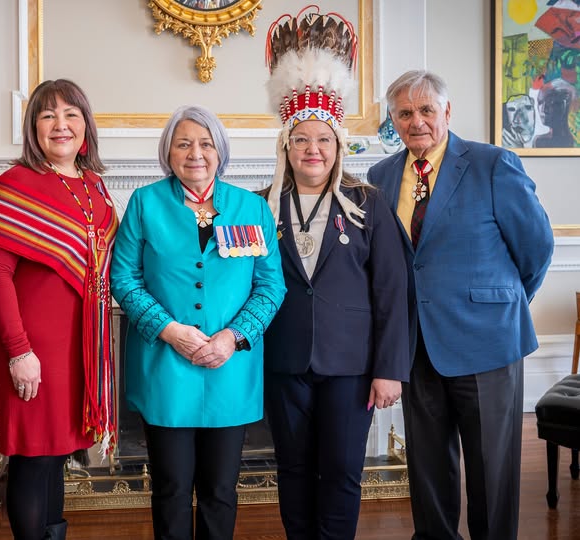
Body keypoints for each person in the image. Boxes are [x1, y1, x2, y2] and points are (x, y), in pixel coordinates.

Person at [368, 70, 554, 540]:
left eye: (426, 110)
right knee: (428, 470)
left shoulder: (493, 164)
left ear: (447, 112)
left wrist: (502, 305)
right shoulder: (380, 176)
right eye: (404, 113)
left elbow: (537, 247)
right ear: (393, 119)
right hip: (417, 344)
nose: (416, 121)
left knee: (492, 470)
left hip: (488, 342)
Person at [260, 7, 410, 539]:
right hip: (282, 362)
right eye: (301, 139)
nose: (313, 150)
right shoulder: (258, 207)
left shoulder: (369, 204)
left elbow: (392, 292)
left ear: (338, 145)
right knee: (293, 469)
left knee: (343, 471)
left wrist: (389, 369)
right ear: (286, 144)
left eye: (323, 140)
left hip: (351, 366)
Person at [110, 105, 286, 540]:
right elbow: (123, 278)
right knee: (170, 488)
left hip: (230, 367)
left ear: (220, 151)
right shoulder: (144, 204)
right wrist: (170, 331)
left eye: (206, 143)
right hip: (165, 367)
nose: (195, 153)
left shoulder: (252, 208)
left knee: (220, 490)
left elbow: (271, 287)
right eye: (183, 143)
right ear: (168, 152)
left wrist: (232, 337)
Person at [0, 79, 118, 540]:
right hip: (32, 345)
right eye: (48, 115)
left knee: (56, 455)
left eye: (71, 114)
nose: (61, 125)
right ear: (33, 128)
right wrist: (19, 350)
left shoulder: (95, 187)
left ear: (86, 126)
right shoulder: (13, 185)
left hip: (80, 345)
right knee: (34, 456)